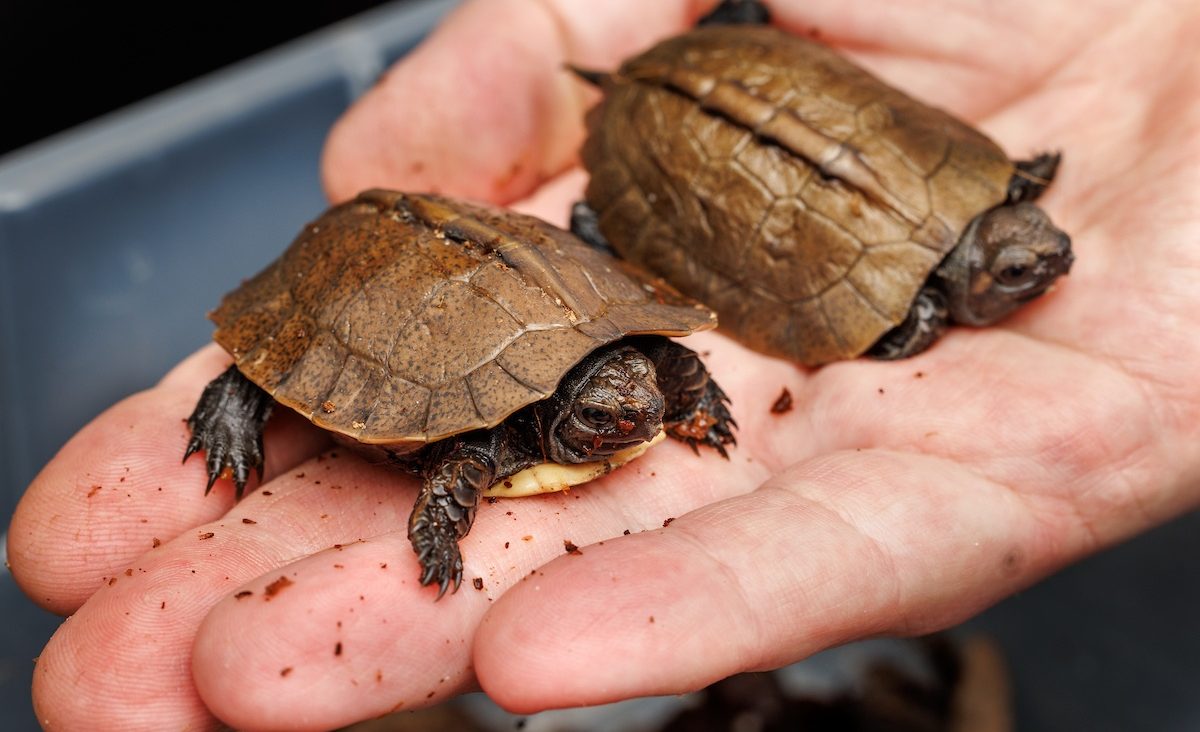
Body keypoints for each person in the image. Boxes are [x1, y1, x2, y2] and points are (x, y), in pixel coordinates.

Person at [9, 0, 1200, 729]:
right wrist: (437, 530)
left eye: (635, 396)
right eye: (613, 409)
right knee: (255, 399)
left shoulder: (639, 379)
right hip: (375, 279)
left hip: (555, 274)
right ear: (562, 425)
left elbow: (667, 367)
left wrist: (687, 393)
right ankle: (235, 389)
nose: (634, 408)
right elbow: (464, 462)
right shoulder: (494, 437)